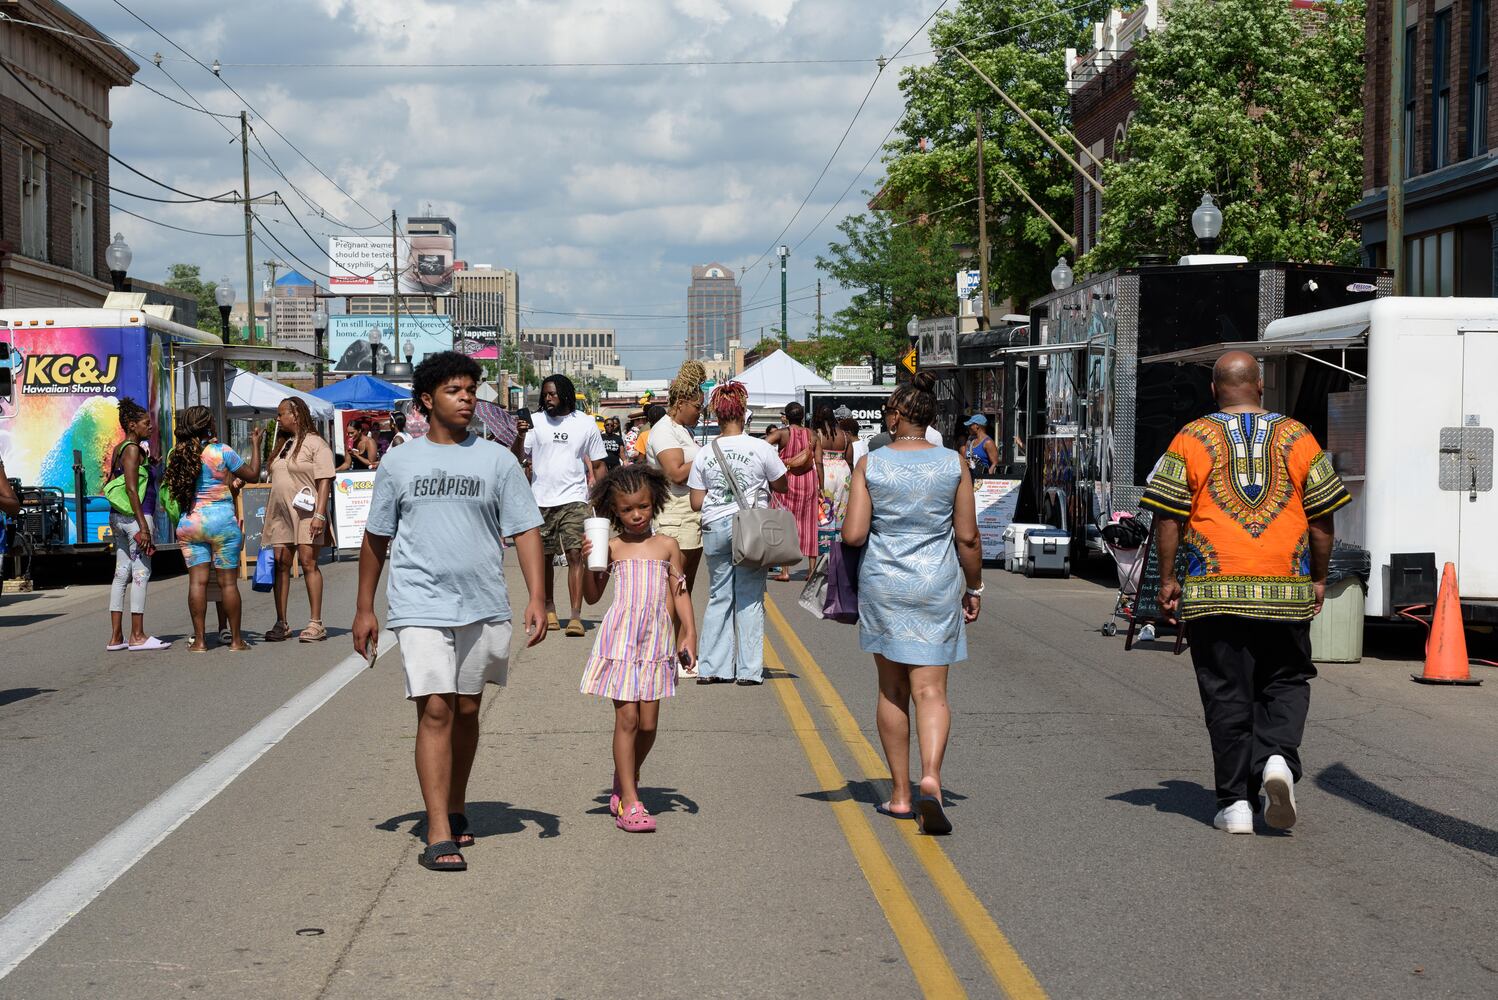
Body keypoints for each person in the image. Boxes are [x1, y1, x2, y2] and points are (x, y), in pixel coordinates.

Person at [354, 351, 548, 873]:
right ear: (427, 400)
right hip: (419, 601)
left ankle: (456, 803)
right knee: (435, 708)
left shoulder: (498, 460)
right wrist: (364, 610)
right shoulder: (399, 461)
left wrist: (537, 595)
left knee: (467, 709)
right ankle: (438, 829)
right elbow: (377, 537)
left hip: (482, 602)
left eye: (472, 391)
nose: (468, 400)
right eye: (455, 391)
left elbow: (526, 529)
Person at [1142, 350, 1349, 836]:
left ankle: (1235, 803)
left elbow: (1168, 515)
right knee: (1285, 679)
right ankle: (1277, 757)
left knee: (1225, 691)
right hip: (1285, 588)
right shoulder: (1298, 436)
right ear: (1260, 386)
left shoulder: (1190, 437)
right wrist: (1318, 577)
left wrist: (1168, 578)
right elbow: (1322, 518)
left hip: (1215, 589)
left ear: (1214, 390)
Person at [843, 372, 982, 836]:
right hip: (936, 583)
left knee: (892, 690)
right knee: (932, 692)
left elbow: (854, 534)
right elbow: (967, 535)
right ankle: (932, 778)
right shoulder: (954, 463)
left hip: (884, 583)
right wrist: (974, 586)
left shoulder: (872, 463)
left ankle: (900, 796)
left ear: (897, 415)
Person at [579, 464, 697, 832]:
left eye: (642, 507)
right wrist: (588, 565)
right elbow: (592, 596)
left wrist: (688, 633)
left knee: (648, 724)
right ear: (614, 510)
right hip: (621, 637)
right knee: (627, 719)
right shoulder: (611, 547)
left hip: (656, 639)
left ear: (655, 502)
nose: (636, 515)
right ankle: (630, 800)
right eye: (627, 509)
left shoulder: (667, 546)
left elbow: (680, 592)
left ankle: (624, 775)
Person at [688, 382, 789, 686]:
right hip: (751, 528)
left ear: (717, 415)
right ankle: (748, 670)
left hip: (715, 526)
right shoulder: (761, 448)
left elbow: (696, 502)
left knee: (719, 595)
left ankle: (712, 668)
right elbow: (782, 484)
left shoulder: (705, 452)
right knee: (749, 597)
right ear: (744, 413)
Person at [164, 406, 263, 652]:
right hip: (222, 524)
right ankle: (237, 641)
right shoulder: (221, 452)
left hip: (191, 524)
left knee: (197, 583)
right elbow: (252, 475)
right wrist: (256, 445)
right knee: (228, 584)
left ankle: (199, 641)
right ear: (208, 425)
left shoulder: (177, 453)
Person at [525, 373, 608, 637]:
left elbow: (598, 464)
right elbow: (520, 455)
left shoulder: (584, 424)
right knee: (545, 558)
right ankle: (549, 608)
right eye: (544, 394)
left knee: (575, 555)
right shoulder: (534, 422)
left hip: (574, 498)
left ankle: (575, 615)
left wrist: (602, 498)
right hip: (540, 501)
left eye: (552, 394)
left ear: (565, 394)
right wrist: (518, 435)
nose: (547, 399)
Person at [263, 397, 336, 643]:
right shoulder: (285, 444)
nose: (278, 418)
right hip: (281, 513)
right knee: (281, 563)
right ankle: (281, 622)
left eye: (281, 413)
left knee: (308, 562)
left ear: (295, 415)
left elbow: (325, 479)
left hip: (307, 512)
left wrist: (319, 514)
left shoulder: (315, 443)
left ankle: (316, 623)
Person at [105, 397, 168, 651]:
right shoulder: (132, 449)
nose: (149, 427)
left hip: (118, 518)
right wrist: (143, 527)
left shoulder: (121, 449)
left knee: (121, 574)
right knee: (141, 573)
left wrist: (150, 467)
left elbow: (123, 479)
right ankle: (138, 635)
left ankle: (116, 637)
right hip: (136, 518)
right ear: (132, 425)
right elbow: (131, 489)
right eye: (145, 423)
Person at [647, 360, 706, 592]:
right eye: (697, 407)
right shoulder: (664, 430)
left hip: (688, 517)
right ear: (681, 404)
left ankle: (681, 630)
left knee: (684, 589)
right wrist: (709, 456)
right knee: (674, 590)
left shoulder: (681, 430)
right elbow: (676, 473)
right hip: (675, 518)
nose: (700, 413)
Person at [765, 401, 817, 581]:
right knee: (809, 523)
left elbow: (763, 446)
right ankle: (811, 570)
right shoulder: (812, 435)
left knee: (784, 522)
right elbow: (819, 462)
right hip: (809, 480)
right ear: (802, 417)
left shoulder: (781, 433)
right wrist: (822, 486)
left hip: (786, 480)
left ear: (786, 416)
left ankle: (785, 571)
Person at [813, 403, 854, 537]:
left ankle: (824, 543)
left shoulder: (817, 434)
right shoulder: (845, 436)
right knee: (841, 507)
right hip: (843, 472)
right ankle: (838, 541)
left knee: (824, 507)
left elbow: (815, 458)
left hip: (824, 471)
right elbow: (849, 460)